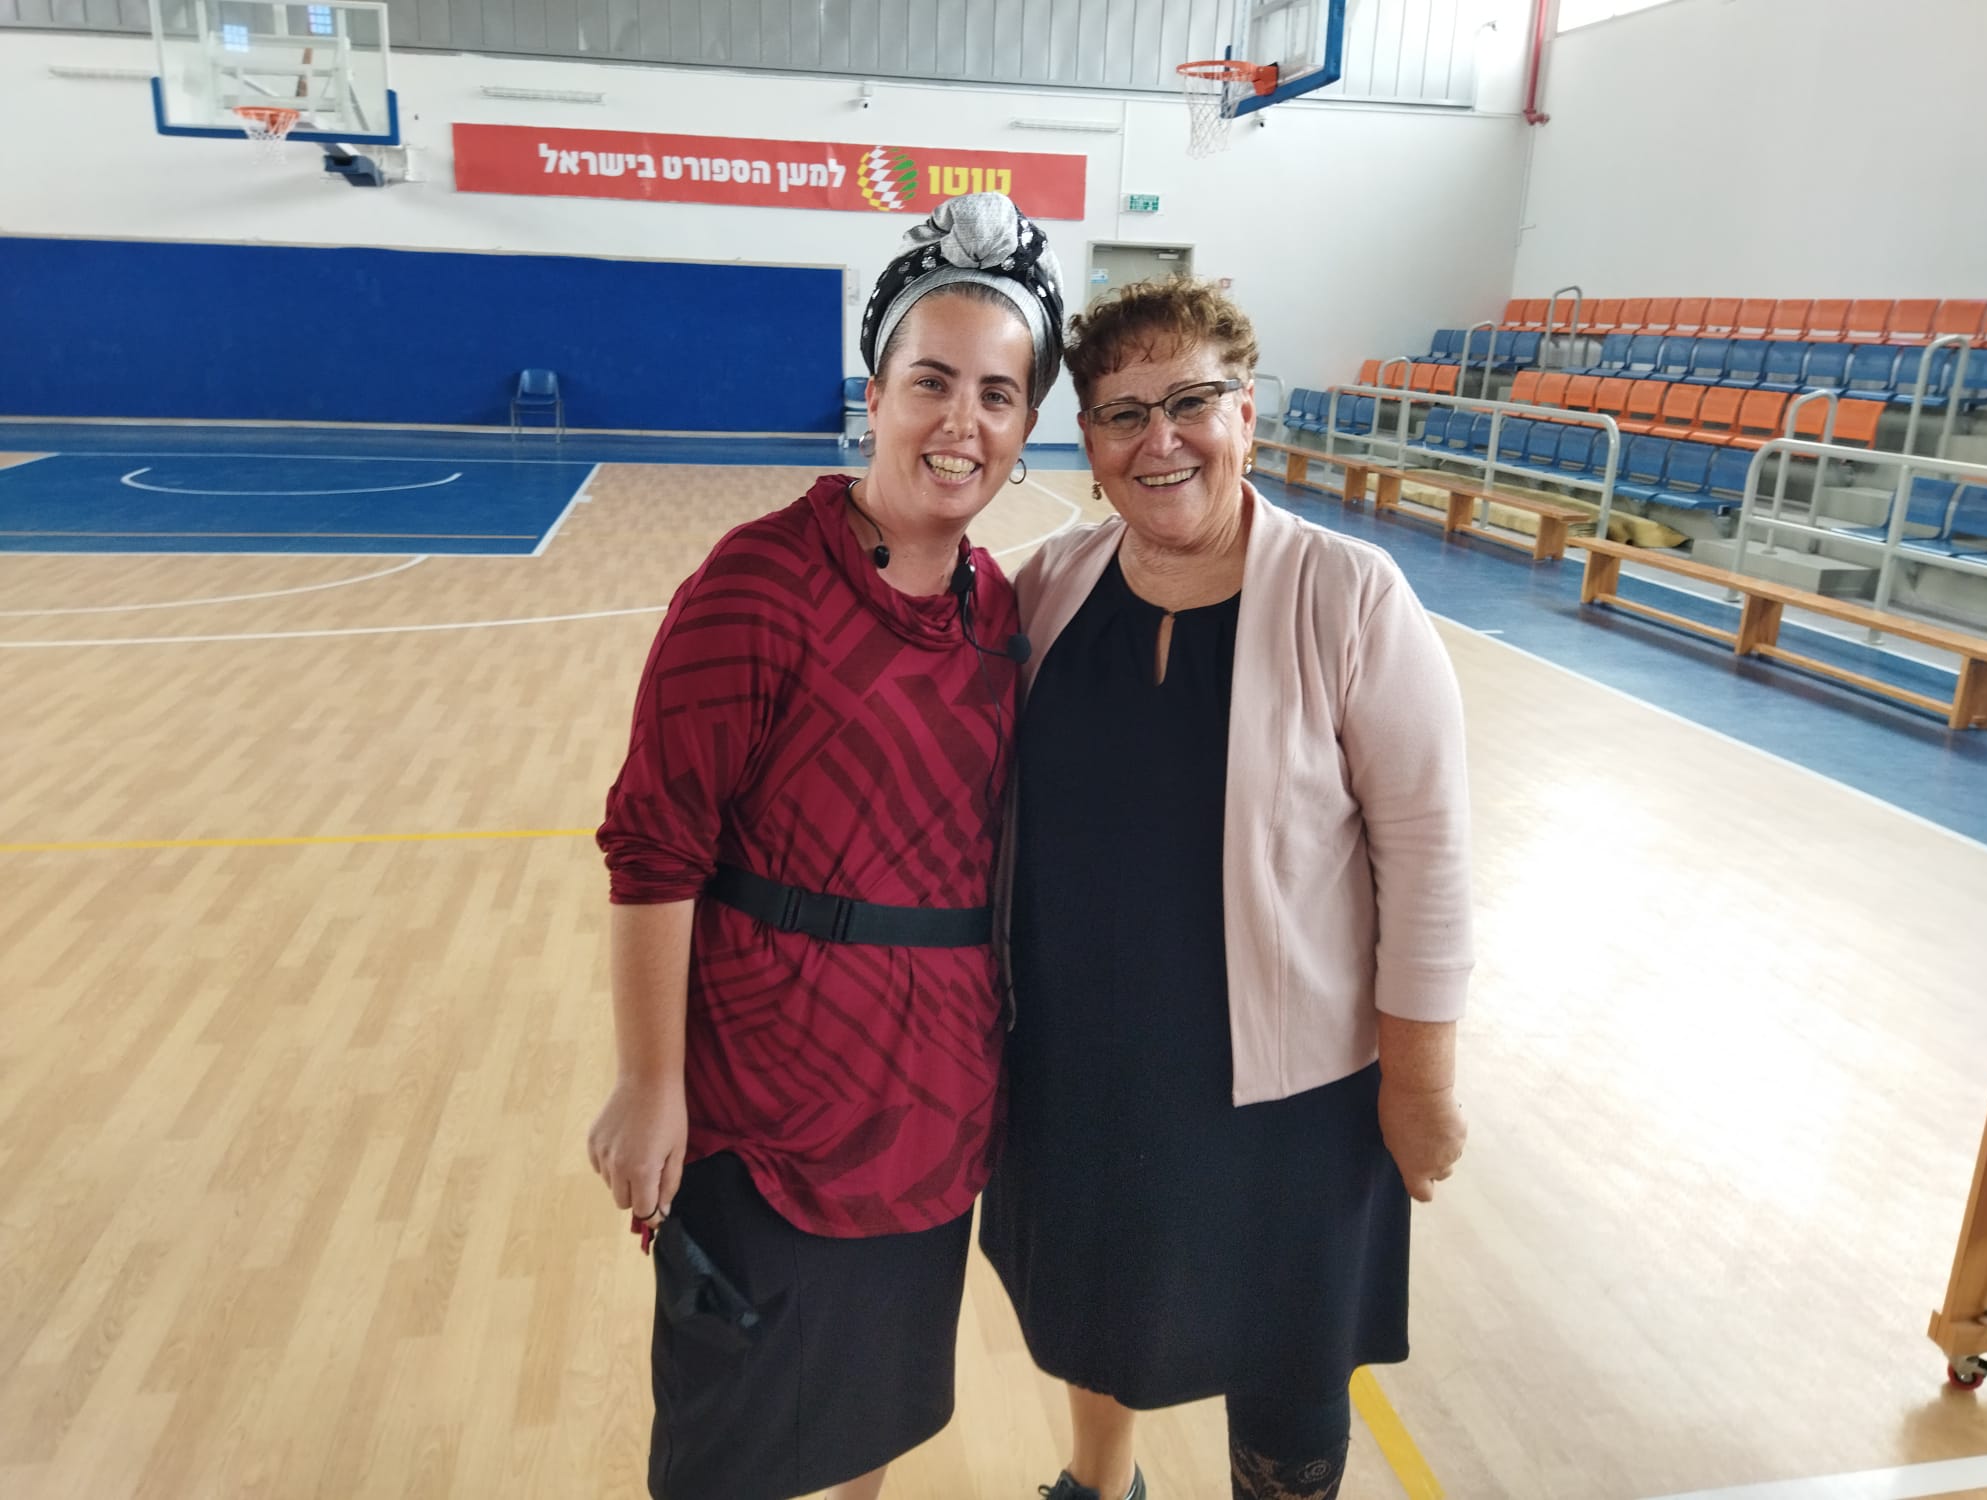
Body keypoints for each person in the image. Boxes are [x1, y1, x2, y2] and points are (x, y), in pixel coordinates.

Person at [589, 193, 1065, 1500]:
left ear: (1026, 425)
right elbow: (654, 850)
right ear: (875, 393)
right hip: (766, 1108)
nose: (960, 422)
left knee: (865, 1434)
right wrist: (650, 1082)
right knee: (734, 1458)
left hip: (935, 1109)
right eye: (932, 382)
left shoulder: (997, 611)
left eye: (997, 395)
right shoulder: (755, 584)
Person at [980, 276, 1473, 1500]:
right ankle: (1101, 1486)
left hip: (1287, 1091)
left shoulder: (1348, 595)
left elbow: (1426, 861)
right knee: (1097, 1309)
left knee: (1287, 1360)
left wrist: (1418, 1083)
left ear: (1245, 414)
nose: (1159, 439)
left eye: (1190, 402)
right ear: (1088, 443)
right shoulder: (1048, 587)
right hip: (1078, 1063)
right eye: (1122, 413)